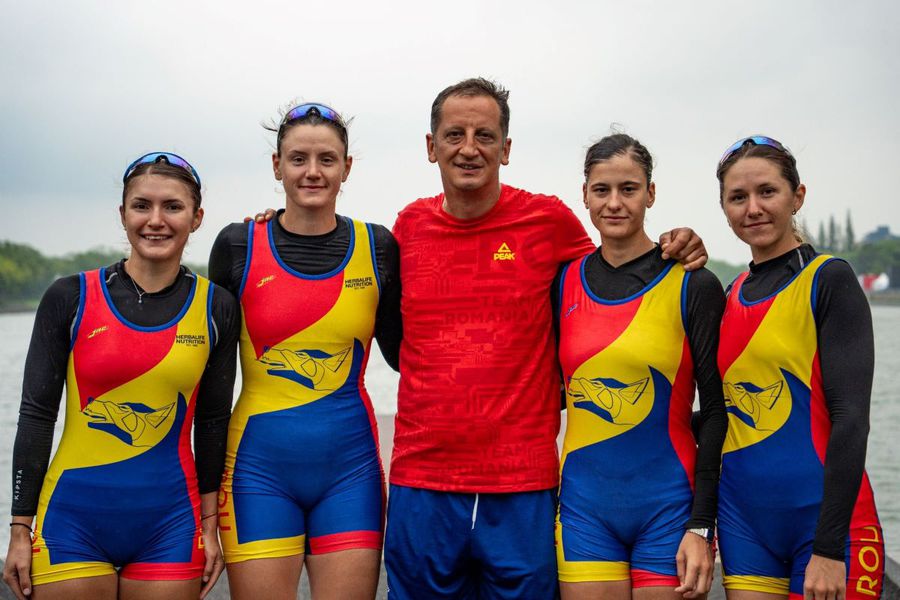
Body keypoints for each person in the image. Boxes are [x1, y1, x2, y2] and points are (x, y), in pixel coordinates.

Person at [383, 78, 709, 599]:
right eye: (455, 134)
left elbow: (617, 274)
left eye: (485, 135)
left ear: (506, 149)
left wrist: (678, 241)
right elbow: (390, 336)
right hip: (423, 476)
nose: (469, 148)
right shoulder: (408, 227)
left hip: (522, 483)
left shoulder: (547, 221)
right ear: (431, 146)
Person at [2, 152, 238, 600]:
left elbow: (212, 425)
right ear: (123, 213)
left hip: (170, 524)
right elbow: (35, 417)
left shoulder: (217, 307)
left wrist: (211, 528)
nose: (155, 220)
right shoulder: (70, 297)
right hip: (71, 520)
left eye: (172, 206)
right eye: (141, 206)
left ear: (197, 217)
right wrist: (19, 529)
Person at [209, 103, 401, 600]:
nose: (312, 171)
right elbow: (210, 386)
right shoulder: (237, 246)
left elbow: (407, 357)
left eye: (327, 159)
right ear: (277, 166)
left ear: (347, 168)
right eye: (298, 159)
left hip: (351, 473)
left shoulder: (378, 247)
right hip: (256, 471)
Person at [553, 134, 727, 600]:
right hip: (584, 509)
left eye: (629, 189)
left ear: (651, 193)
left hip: (669, 508)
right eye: (602, 189)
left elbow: (716, 412)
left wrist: (703, 526)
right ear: (584, 194)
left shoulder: (694, 284)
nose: (614, 203)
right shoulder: (563, 282)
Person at [715, 136, 884, 600]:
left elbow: (852, 419)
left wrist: (829, 549)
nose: (753, 208)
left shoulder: (829, 279)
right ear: (725, 209)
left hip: (826, 528)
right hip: (745, 526)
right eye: (738, 197)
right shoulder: (728, 295)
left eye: (767, 192)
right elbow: (728, 414)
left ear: (798, 197)